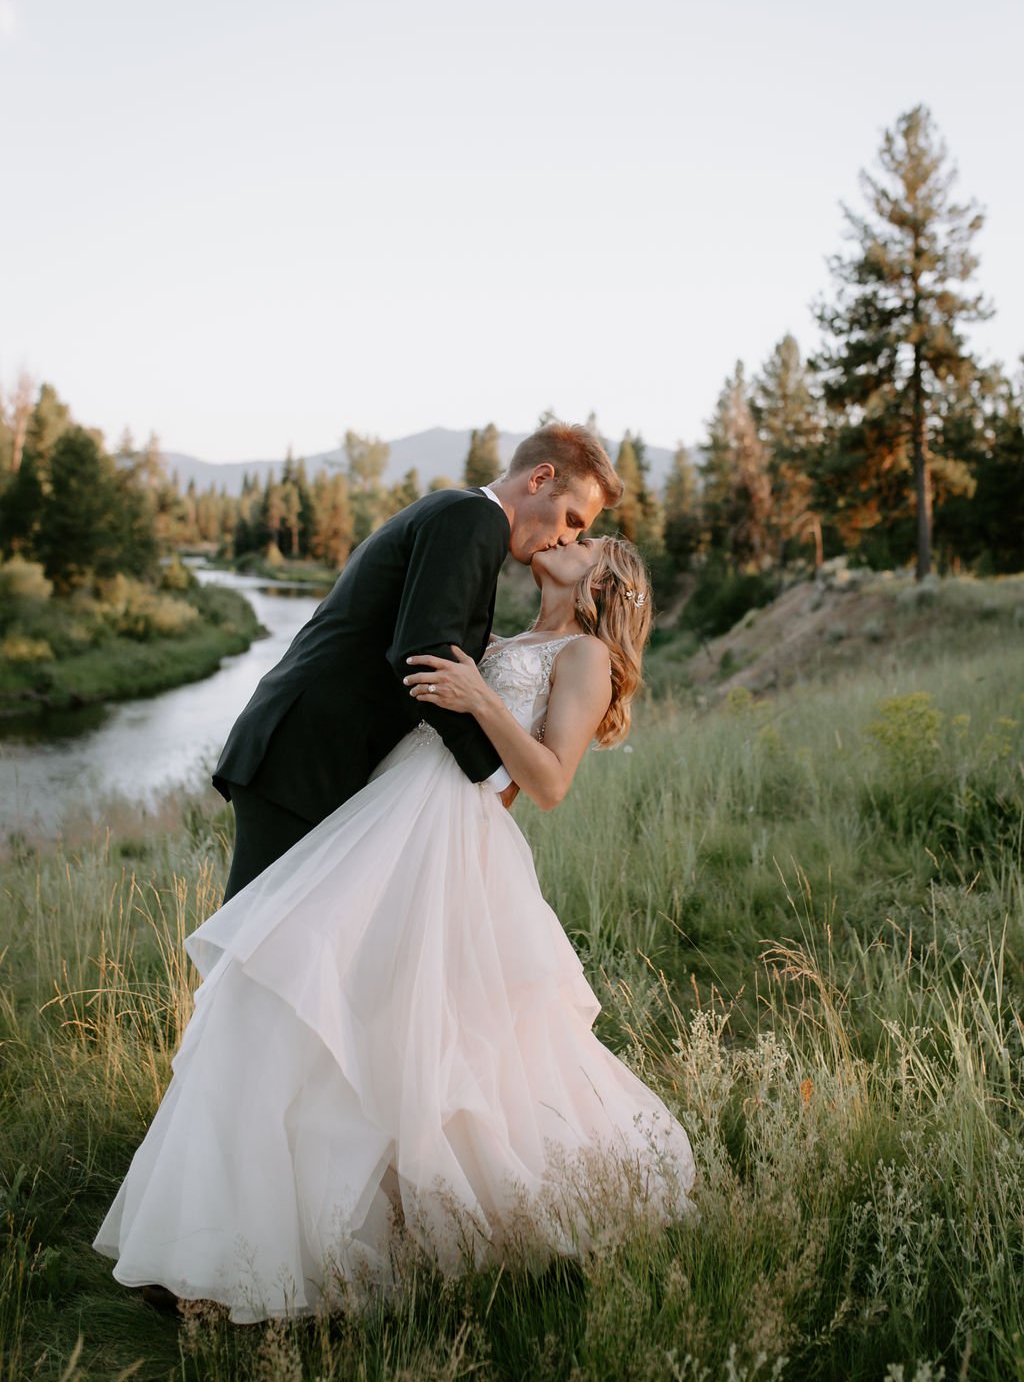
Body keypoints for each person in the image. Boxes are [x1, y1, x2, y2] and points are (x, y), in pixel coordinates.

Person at [93, 534, 697, 1321]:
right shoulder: (512, 638)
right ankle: (221, 1246)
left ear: (606, 579)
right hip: (387, 808)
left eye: (586, 538)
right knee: (304, 998)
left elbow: (548, 781)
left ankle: (333, 1245)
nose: (566, 536)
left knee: (397, 1021)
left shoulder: (585, 655)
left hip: (440, 835)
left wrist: (480, 700)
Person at [212, 423, 621, 902]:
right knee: (255, 944)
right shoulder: (474, 520)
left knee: (284, 944)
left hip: (321, 756)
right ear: (540, 479)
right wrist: (494, 775)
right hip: (307, 755)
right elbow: (423, 656)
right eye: (572, 519)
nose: (566, 538)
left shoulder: (464, 515)